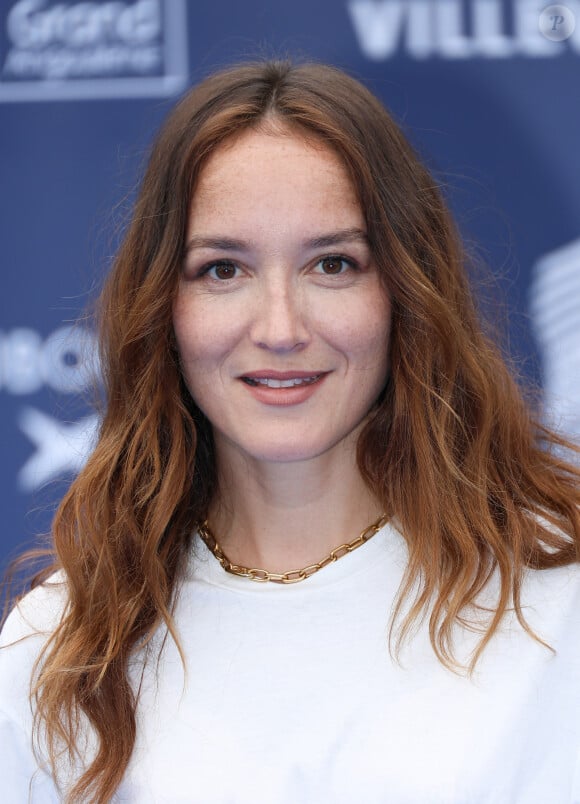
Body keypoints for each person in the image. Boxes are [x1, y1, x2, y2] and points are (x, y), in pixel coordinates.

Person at [1, 59, 580, 804]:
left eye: (332, 264)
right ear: (162, 307)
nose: (280, 328)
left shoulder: (553, 604)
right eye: (222, 270)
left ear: (404, 290)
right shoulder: (57, 650)